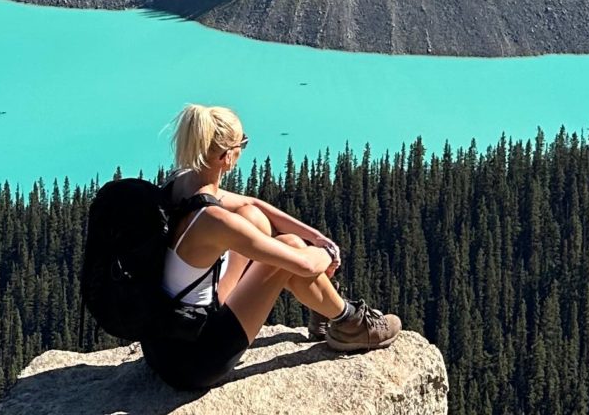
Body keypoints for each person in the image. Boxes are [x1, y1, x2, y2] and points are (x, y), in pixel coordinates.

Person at [142, 101, 402, 394]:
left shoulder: (180, 184)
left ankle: (328, 312)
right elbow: (303, 265)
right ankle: (349, 322)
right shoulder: (213, 221)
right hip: (195, 362)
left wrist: (315, 236)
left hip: (162, 341)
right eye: (244, 143)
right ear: (227, 158)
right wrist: (326, 254)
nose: (244, 149)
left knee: (256, 219)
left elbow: (252, 205)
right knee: (288, 250)